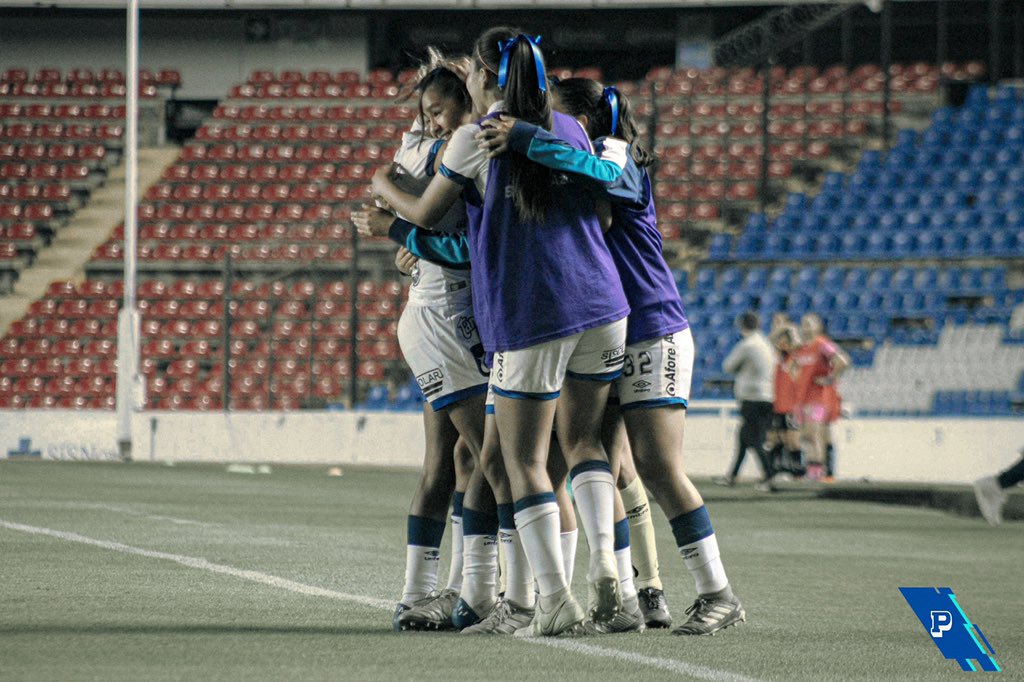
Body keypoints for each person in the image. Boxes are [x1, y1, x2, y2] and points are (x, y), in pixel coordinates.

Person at [367, 28, 630, 638]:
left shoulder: (473, 137)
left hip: (535, 313)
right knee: (580, 446)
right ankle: (604, 583)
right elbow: (604, 206)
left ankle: (553, 602)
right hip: (605, 307)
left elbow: (428, 213)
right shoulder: (568, 127)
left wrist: (384, 203)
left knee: (520, 460)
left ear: (484, 80)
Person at [476, 76, 746, 636]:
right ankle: (629, 591)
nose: (555, 124)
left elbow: (608, 191)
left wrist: (527, 136)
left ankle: (717, 592)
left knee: (657, 465)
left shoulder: (615, 157)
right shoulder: (578, 164)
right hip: (608, 327)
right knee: (597, 454)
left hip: (653, 326)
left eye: (560, 116)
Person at [352, 56, 488, 632]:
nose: (432, 121)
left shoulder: (444, 146)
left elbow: (410, 213)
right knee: (491, 456)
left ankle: (424, 592)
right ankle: (472, 590)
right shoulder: (453, 153)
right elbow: (455, 240)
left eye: (440, 110)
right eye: (426, 113)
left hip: (452, 311)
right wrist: (402, 231)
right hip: (442, 314)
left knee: (452, 459)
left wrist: (398, 227)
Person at [719, 311, 776, 490]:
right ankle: (732, 476)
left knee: (755, 439)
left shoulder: (748, 344)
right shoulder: (766, 343)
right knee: (743, 439)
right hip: (767, 396)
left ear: (741, 325)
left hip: (752, 398)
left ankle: (769, 476)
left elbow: (728, 366)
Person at [792, 313, 849, 481]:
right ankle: (812, 468)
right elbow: (794, 366)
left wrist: (831, 378)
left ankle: (818, 472)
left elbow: (842, 360)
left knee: (815, 433)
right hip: (802, 398)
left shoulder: (822, 344)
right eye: (804, 323)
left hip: (817, 399)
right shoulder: (801, 347)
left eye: (810, 323)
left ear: (818, 326)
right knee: (805, 435)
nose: (806, 326)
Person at [766, 323, 803, 477]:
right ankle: (775, 470)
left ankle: (796, 471)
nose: (782, 344)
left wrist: (792, 330)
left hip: (791, 407)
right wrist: (780, 328)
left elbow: (799, 344)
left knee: (792, 440)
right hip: (776, 405)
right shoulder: (775, 358)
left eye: (785, 342)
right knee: (774, 439)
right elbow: (769, 340)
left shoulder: (794, 359)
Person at [973, 447, 1024, 525]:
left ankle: (994, 521)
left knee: (992, 508)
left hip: (993, 485)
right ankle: (994, 521)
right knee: (992, 506)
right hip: (992, 484)